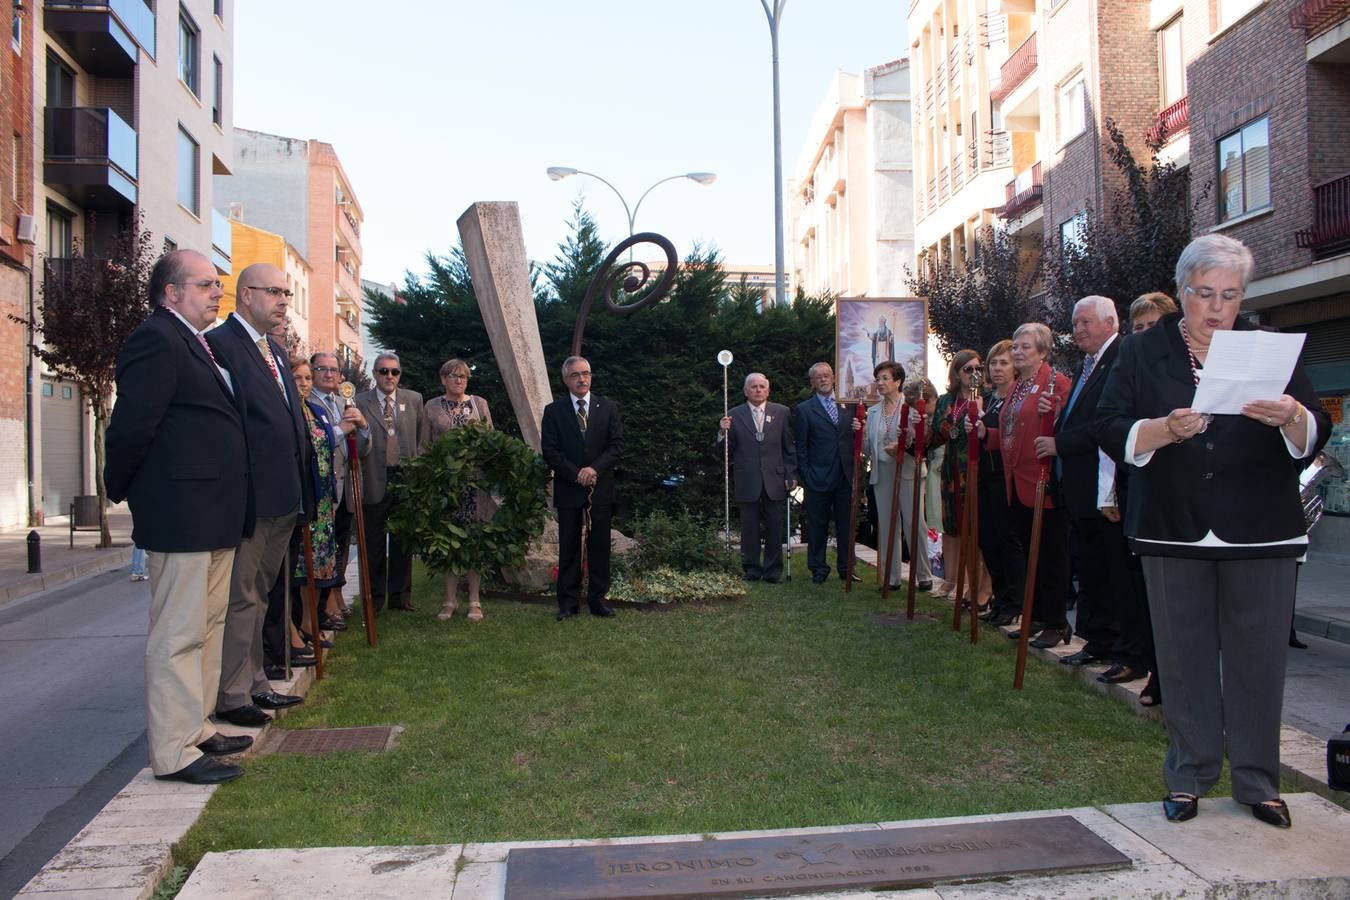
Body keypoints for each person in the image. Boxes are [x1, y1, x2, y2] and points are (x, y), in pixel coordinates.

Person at [1096, 233, 1329, 830]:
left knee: (1259, 660)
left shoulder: (1269, 347)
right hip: (1174, 527)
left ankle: (1258, 782)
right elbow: (1110, 426)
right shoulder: (1141, 352)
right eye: (1205, 294)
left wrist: (1292, 418)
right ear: (1182, 292)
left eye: (1230, 294)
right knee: (1183, 659)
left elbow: (1314, 427)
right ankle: (1190, 774)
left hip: (1262, 528)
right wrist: (1160, 429)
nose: (1218, 307)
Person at [104, 249, 253, 784]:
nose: (218, 292)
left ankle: (197, 726)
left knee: (207, 626)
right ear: (172, 292)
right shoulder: (156, 339)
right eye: (207, 284)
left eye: (219, 284)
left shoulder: (195, 342)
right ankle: (173, 751)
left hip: (213, 514)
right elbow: (131, 426)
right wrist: (119, 488)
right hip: (181, 513)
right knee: (177, 633)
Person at [205, 263, 311, 728]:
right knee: (242, 595)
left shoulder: (272, 348)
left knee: (260, 595)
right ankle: (232, 694)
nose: (284, 300)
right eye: (275, 291)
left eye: (287, 292)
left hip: (284, 495)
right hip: (251, 498)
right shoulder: (221, 346)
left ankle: (256, 683)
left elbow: (289, 421)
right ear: (246, 295)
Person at [1042, 297, 1148, 685]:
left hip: (1110, 486)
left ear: (1110, 322)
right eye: (1075, 322)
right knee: (1093, 570)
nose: (1078, 329)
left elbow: (1108, 423)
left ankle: (1126, 649)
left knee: (1116, 571)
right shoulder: (1086, 364)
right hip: (1084, 487)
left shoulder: (1120, 356)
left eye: (1085, 321)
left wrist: (1061, 444)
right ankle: (1099, 641)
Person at [994, 323, 1071, 648]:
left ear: (1042, 351)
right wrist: (988, 436)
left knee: (1051, 553)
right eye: (1016, 347)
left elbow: (1063, 425)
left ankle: (1056, 620)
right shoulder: (1017, 386)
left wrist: (1054, 415)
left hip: (1043, 480)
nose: (1017, 352)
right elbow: (1012, 429)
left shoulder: (1055, 383)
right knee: (1029, 551)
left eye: (1026, 347)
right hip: (1016, 481)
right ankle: (1037, 615)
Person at [541, 355, 624, 620]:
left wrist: (593, 469)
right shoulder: (554, 411)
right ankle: (567, 603)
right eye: (575, 375)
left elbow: (616, 446)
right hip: (569, 489)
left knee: (599, 546)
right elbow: (550, 451)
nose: (582, 378)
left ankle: (598, 600)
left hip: (600, 489)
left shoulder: (608, 407)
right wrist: (576, 473)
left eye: (586, 373)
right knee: (569, 547)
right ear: (566, 379)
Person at [420, 358, 495, 622]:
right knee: (448, 542)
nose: (458, 380)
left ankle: (474, 601)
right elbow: (425, 447)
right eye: (452, 376)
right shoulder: (431, 407)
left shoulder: (479, 405)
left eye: (462, 376)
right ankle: (449, 600)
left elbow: (491, 442)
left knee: (473, 541)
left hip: (474, 484)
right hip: (446, 485)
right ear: (443, 379)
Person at [354, 353, 424, 613]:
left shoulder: (414, 400)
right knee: (372, 543)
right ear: (374, 374)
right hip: (374, 478)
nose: (389, 377)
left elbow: (419, 439)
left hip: (405, 480)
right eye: (384, 371)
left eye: (394, 372)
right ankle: (374, 598)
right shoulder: (361, 402)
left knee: (402, 542)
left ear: (400, 374)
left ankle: (400, 597)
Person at [307, 351, 369, 629]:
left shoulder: (342, 402)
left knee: (342, 543)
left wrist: (363, 427)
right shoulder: (307, 404)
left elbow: (361, 450)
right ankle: (320, 609)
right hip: (322, 490)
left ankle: (335, 595)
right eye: (321, 369)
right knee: (321, 548)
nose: (329, 374)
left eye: (334, 369)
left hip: (345, 487)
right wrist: (341, 428)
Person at [860, 361, 933, 591]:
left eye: (884, 378)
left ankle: (922, 574)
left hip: (908, 469)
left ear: (897, 381)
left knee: (914, 522)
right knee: (887, 523)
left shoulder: (912, 408)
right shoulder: (872, 412)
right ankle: (891, 577)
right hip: (882, 471)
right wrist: (859, 434)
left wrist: (903, 445)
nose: (879, 383)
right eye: (877, 379)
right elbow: (866, 448)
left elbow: (921, 439)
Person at [720, 373, 797, 582]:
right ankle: (752, 569)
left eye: (762, 386)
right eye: (753, 387)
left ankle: (773, 571)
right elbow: (726, 450)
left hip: (775, 479)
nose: (758, 390)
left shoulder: (781, 412)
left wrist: (791, 474)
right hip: (748, 479)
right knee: (749, 527)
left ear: (768, 390)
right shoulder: (733, 415)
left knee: (774, 526)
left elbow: (789, 447)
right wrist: (722, 432)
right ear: (746, 391)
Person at [974, 340, 1024, 627]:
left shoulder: (1016, 399)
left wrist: (986, 431)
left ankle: (1013, 602)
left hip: (1006, 478)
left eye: (1003, 362)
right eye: (993, 363)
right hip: (984, 476)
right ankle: (1000, 597)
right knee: (987, 540)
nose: (997, 368)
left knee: (1007, 541)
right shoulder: (988, 398)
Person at [933, 350, 989, 605]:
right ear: (957, 372)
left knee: (974, 529)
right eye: (968, 369)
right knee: (952, 527)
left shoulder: (985, 398)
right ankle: (952, 578)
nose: (974, 374)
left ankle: (978, 585)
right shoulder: (947, 400)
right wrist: (950, 426)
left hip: (975, 470)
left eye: (978, 368)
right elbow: (939, 427)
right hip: (951, 469)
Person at [793, 362, 856, 584]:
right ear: (812, 382)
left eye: (827, 375)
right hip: (818, 477)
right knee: (817, 526)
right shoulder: (803, 410)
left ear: (834, 378)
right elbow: (800, 447)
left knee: (846, 524)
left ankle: (847, 568)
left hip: (845, 476)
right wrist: (806, 474)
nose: (823, 379)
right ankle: (818, 568)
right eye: (818, 377)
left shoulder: (850, 406)